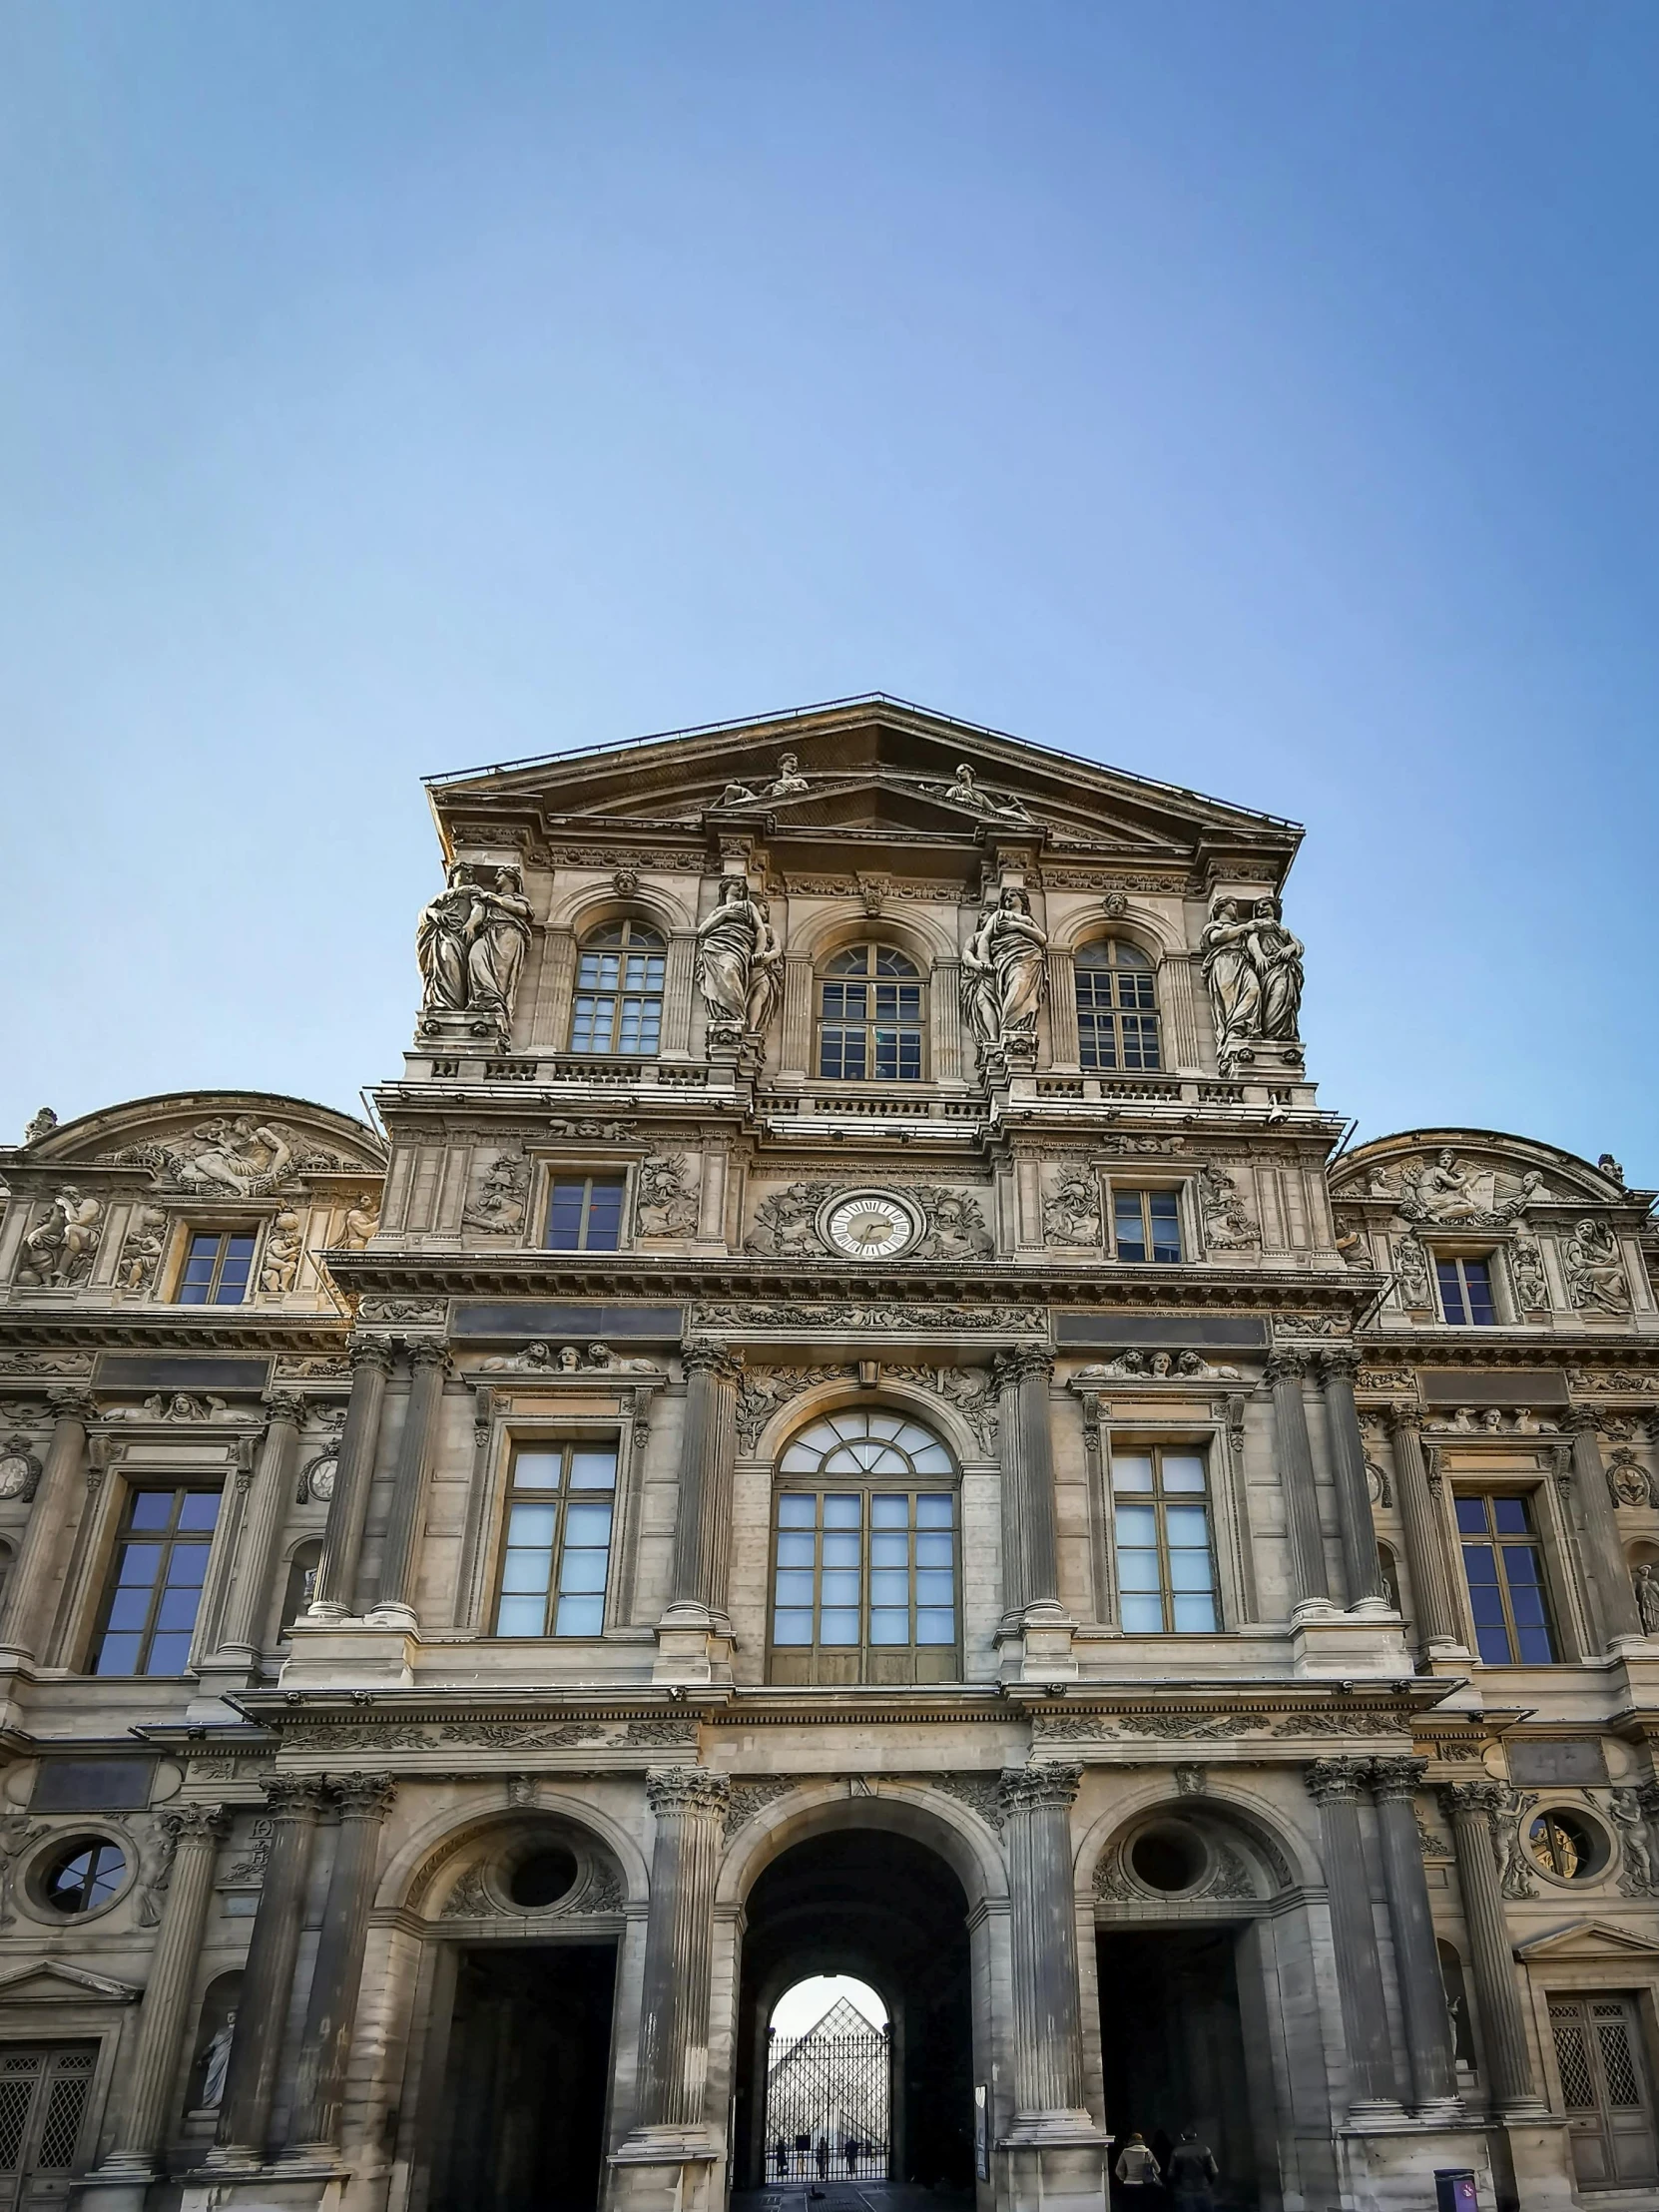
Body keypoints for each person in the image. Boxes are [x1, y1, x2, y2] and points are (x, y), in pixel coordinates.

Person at [1167, 2129, 1219, 2211]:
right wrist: (1209, 2183)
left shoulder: (1177, 2152)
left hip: (1186, 2189)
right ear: (1195, 2136)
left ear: (1183, 2137)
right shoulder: (1205, 2149)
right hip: (1203, 2188)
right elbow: (1214, 2171)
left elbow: (1171, 2173)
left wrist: (1177, 2185)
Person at [1114, 2131, 1160, 2195]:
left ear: (1130, 2141)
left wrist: (1124, 2178)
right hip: (1144, 2184)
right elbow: (1157, 2169)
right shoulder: (1148, 2152)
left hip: (1129, 2184)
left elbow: (1118, 2170)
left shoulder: (1125, 2152)